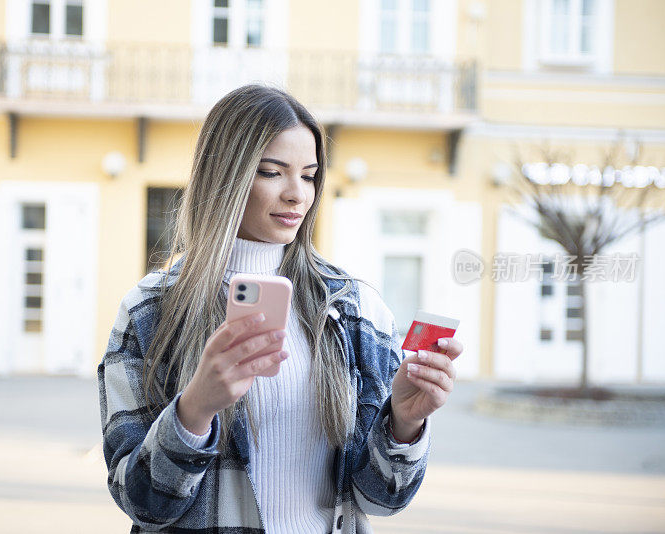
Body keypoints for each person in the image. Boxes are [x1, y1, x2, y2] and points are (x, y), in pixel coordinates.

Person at [98, 83, 464, 534]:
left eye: (309, 175)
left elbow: (380, 500)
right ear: (226, 176)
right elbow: (144, 505)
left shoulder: (355, 309)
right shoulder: (150, 310)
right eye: (272, 172)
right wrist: (194, 410)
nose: (298, 194)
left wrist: (405, 422)